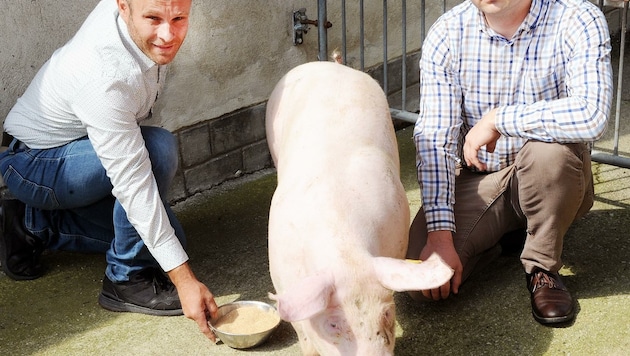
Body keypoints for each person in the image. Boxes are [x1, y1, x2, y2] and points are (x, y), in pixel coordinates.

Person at [0, 0, 218, 340]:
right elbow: (133, 181)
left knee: (169, 245)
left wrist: (174, 263)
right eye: (153, 18)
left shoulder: (137, 15)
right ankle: (124, 278)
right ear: (123, 7)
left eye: (179, 18)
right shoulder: (102, 74)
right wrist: (185, 281)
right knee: (156, 150)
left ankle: (30, 223)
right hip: (34, 164)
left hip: (81, 156)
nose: (168, 34)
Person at [407, 0, 613, 325]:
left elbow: (592, 114)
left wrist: (499, 119)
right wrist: (440, 237)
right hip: (479, 176)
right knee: (423, 281)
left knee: (549, 154)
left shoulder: (577, 16)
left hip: (549, 171)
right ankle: (501, 239)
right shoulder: (448, 32)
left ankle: (542, 267)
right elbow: (436, 138)